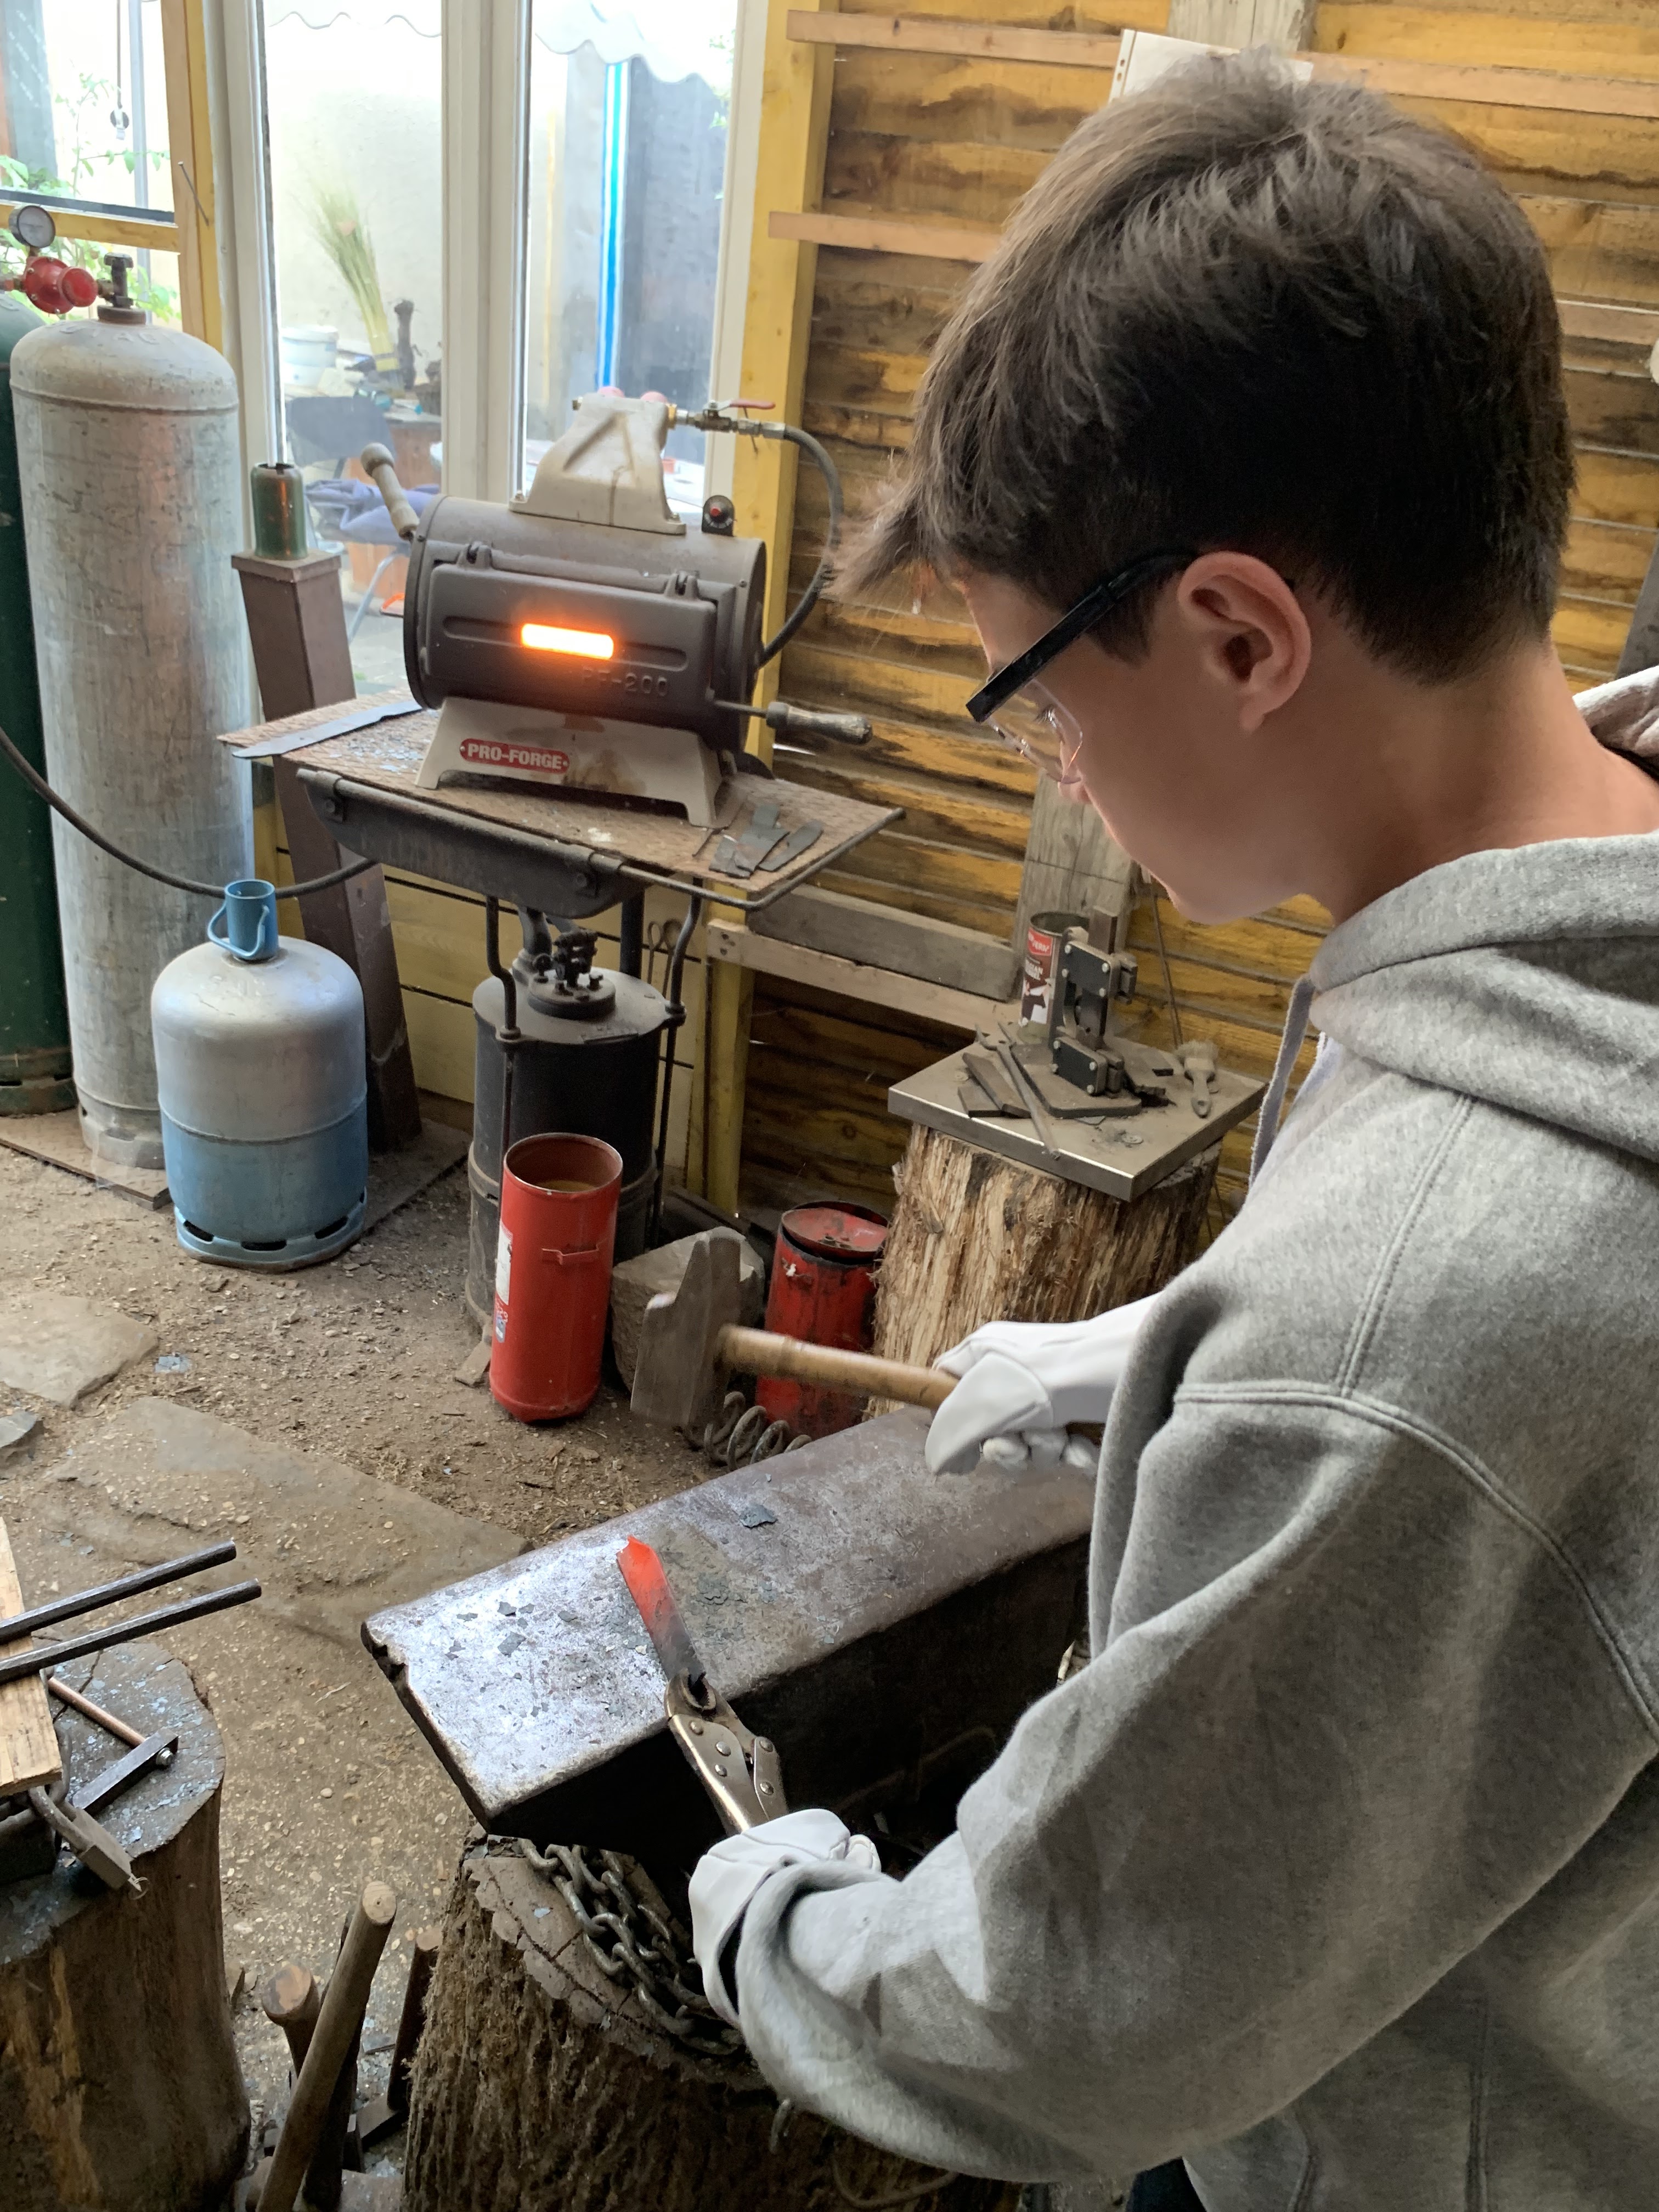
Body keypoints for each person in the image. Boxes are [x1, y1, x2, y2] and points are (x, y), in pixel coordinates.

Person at [687, 53, 1659, 2212]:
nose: (1057, 761)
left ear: (1234, 634)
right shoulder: (1584, 903)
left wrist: (775, 1922)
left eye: (1042, 698)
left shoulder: (1399, 1346)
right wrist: (1175, 1351)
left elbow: (1066, 2020)